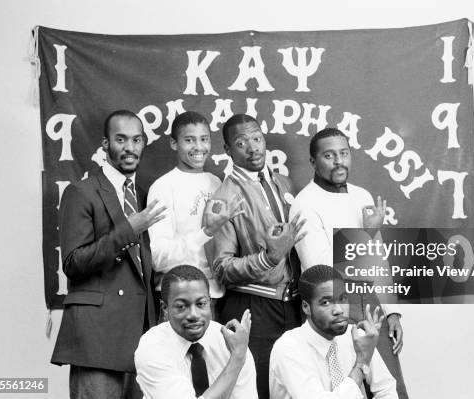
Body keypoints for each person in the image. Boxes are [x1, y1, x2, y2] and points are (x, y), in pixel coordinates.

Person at [51, 110, 167, 399]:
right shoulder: (81, 192)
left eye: (136, 140)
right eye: (121, 139)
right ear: (105, 144)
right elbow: (73, 263)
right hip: (97, 337)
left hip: (141, 338)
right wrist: (128, 230)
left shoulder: (144, 195)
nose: (130, 147)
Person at [289, 128, 408, 398]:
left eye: (343, 153)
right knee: (349, 384)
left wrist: (391, 312)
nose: (338, 161)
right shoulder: (304, 204)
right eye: (329, 155)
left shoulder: (362, 196)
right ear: (313, 162)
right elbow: (319, 271)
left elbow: (378, 259)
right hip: (338, 303)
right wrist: (365, 235)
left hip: (372, 299)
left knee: (390, 384)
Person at [211, 114, 305, 399]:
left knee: (295, 390)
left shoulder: (286, 184)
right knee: (257, 390)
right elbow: (222, 268)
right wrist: (268, 257)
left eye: (256, 138)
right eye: (241, 143)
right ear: (228, 150)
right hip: (253, 307)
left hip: (294, 305)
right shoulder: (224, 197)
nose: (252, 148)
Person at [148, 111, 242, 302]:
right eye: (189, 140)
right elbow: (158, 258)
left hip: (218, 296)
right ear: (174, 143)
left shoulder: (217, 183)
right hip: (180, 297)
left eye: (204, 139)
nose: (198, 147)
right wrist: (206, 232)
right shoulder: (163, 187)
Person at [269, 265, 398, 399]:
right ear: (306, 307)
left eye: (343, 299)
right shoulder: (289, 348)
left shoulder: (355, 336)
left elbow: (386, 388)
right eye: (326, 302)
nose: (339, 310)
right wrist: (361, 364)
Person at [135, 265, 258, 399]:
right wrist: (237, 359)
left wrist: (238, 355)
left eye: (201, 304)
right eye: (181, 306)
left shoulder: (229, 341)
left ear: (210, 302)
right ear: (165, 308)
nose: (193, 315)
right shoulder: (152, 347)